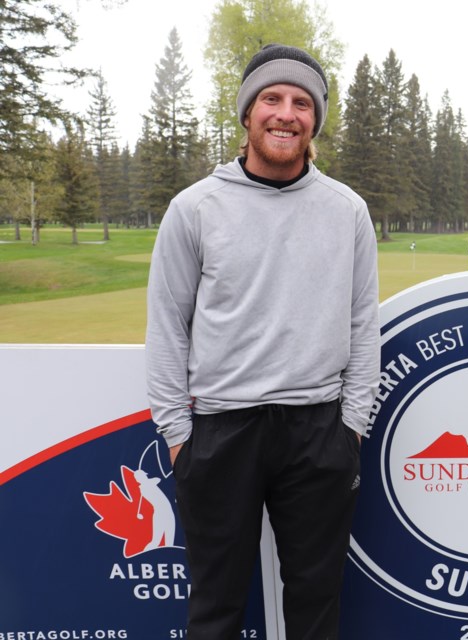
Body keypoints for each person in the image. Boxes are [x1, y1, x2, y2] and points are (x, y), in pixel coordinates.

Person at [146, 44, 380, 639]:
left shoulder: (346, 211)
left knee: (315, 603)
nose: (287, 113)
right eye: (272, 98)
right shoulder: (195, 208)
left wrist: (351, 425)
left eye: (303, 103)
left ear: (315, 121)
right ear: (248, 113)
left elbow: (362, 322)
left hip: (319, 432)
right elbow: (168, 325)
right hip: (222, 432)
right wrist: (178, 434)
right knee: (217, 608)